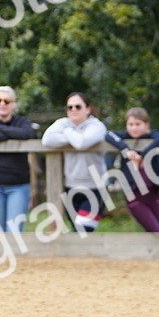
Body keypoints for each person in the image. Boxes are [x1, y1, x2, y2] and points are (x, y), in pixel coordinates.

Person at [41, 92, 108, 232]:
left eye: (78, 106)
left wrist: (67, 132)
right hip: (71, 187)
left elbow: (81, 143)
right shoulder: (64, 123)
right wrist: (71, 135)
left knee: (83, 231)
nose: (73, 110)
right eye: (69, 107)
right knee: (77, 232)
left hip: (95, 188)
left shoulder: (97, 126)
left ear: (88, 109)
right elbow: (47, 140)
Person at [104, 108, 159, 233]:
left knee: (155, 231)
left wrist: (144, 154)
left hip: (153, 195)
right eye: (131, 124)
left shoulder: (152, 136)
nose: (134, 128)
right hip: (135, 198)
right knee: (157, 232)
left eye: (138, 124)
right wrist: (126, 150)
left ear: (146, 125)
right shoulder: (125, 138)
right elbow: (108, 134)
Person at [0, 86, 36, 232]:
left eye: (7, 100)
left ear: (13, 104)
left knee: (14, 232)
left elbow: (27, 133)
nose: (2, 104)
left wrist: (1, 130)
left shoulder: (22, 121)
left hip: (19, 186)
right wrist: (11, 134)